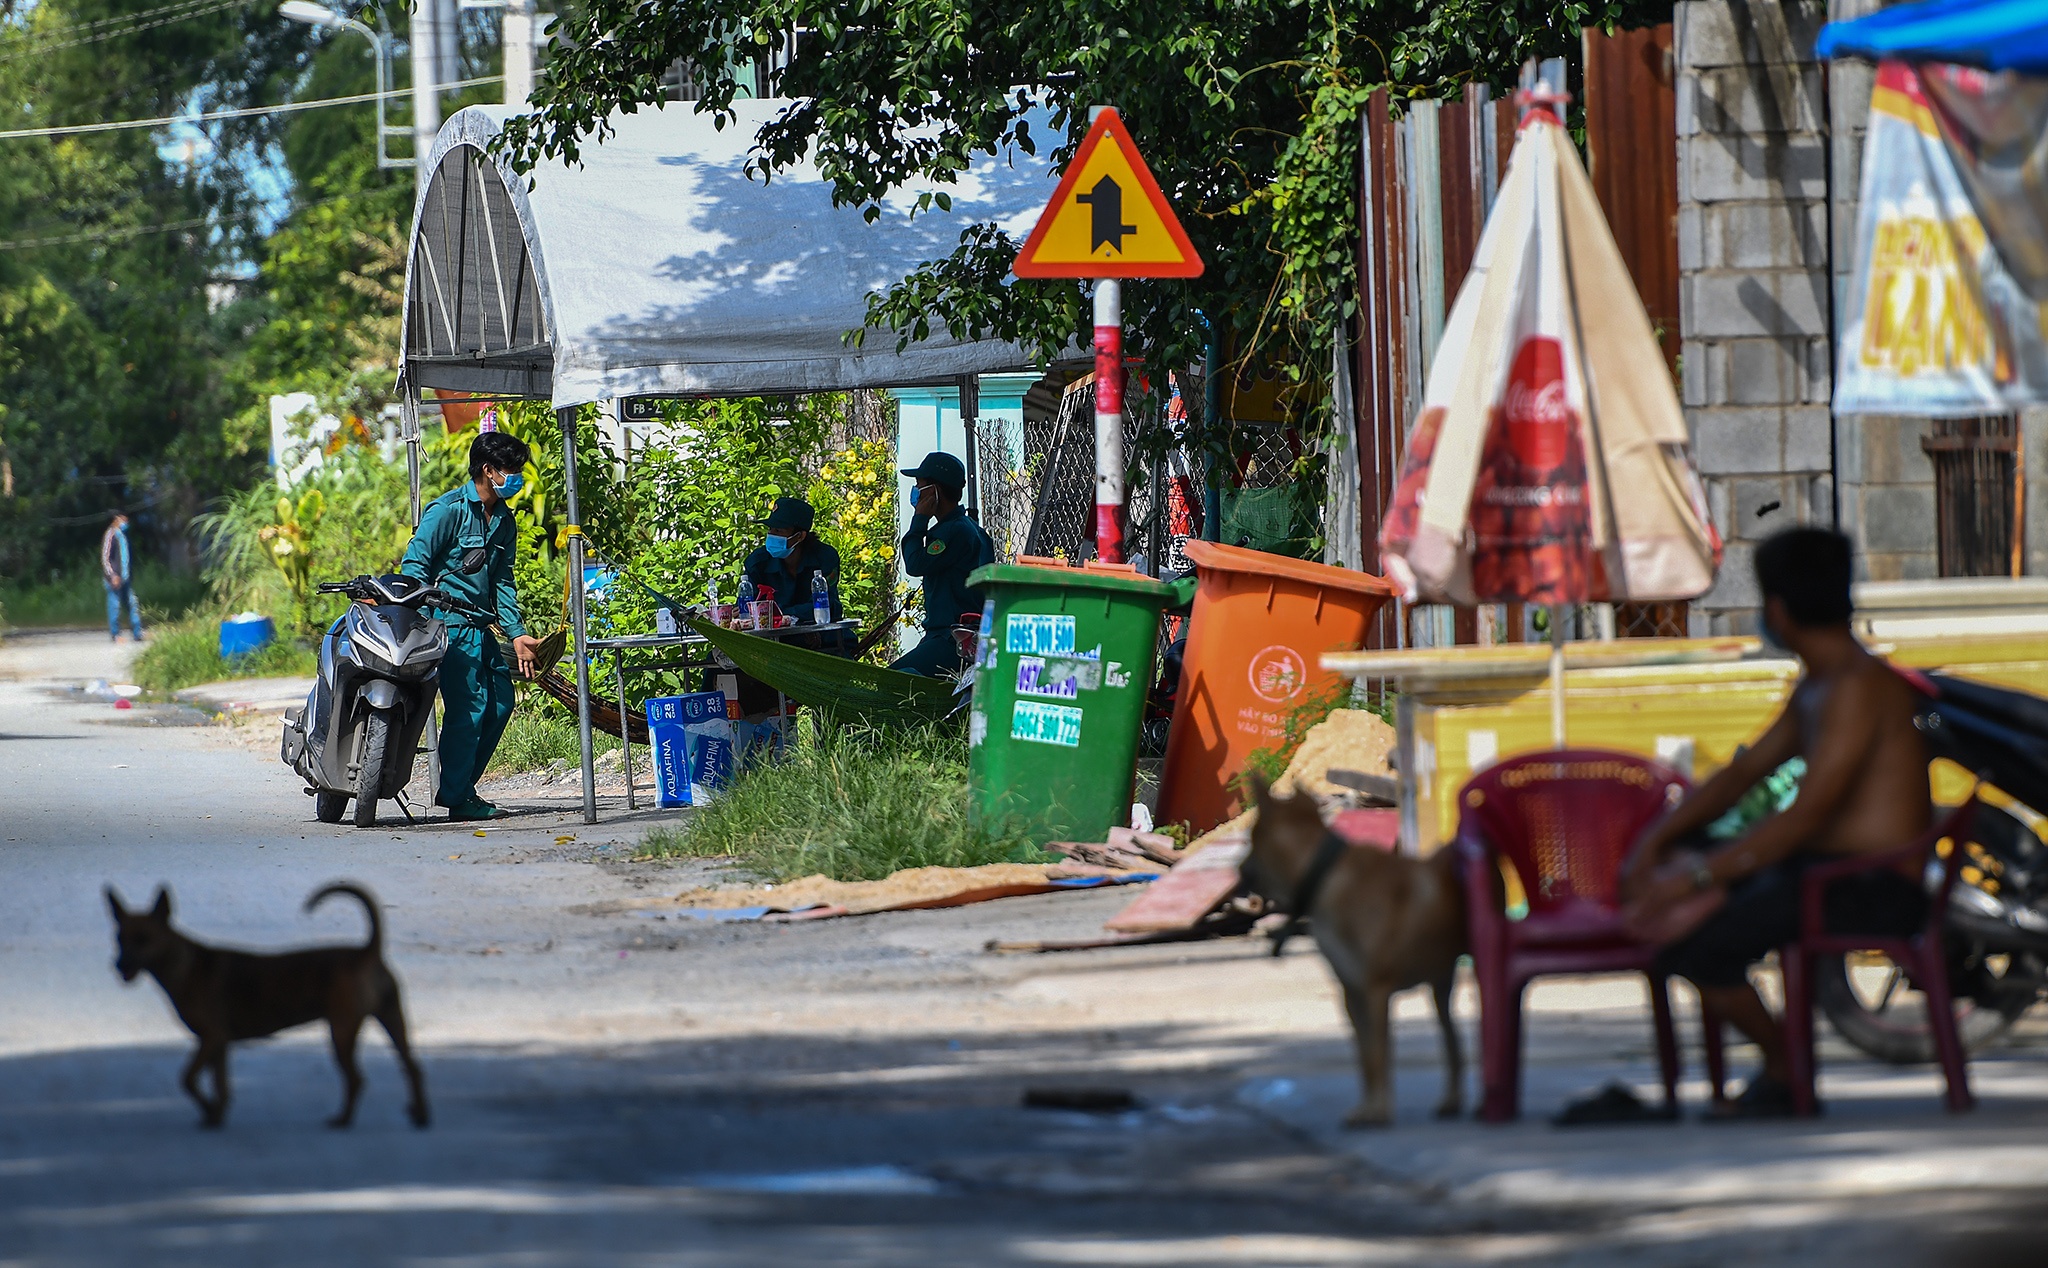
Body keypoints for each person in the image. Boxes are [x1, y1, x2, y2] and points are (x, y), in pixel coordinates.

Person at [1623, 527, 1933, 1119]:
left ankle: (1785, 1066)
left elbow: (1804, 817)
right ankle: (1781, 1064)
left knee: (1696, 947)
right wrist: (1657, 841)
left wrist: (1699, 877)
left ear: (1778, 611)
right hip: (1824, 868)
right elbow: (1741, 776)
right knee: (1690, 885)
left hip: (1874, 884)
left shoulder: (1856, 688)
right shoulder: (1820, 685)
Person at [399, 431, 543, 821]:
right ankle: (458, 797)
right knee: (470, 709)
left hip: (481, 628)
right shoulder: (447, 510)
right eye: (511, 470)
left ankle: (461, 787)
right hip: (448, 628)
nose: (516, 477)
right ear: (488, 470)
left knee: (501, 702)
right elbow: (414, 566)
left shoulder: (505, 521)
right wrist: (422, 620)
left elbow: (503, 581)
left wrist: (517, 633)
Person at [890, 451, 993, 678]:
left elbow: (915, 563)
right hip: (959, 637)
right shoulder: (972, 530)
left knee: (892, 679)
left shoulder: (953, 531)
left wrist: (919, 519)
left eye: (920, 486)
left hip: (952, 639)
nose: (916, 491)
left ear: (934, 491)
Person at [743, 496, 842, 625]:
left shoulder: (825, 557)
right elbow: (748, 608)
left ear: (800, 536)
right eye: (770, 529)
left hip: (822, 633)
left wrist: (781, 614)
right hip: (773, 635)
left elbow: (827, 606)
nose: (771, 535)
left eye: (778, 530)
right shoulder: (757, 562)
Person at [101, 509, 144, 643]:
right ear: (116, 519)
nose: (126, 522)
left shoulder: (122, 536)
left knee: (132, 604)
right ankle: (115, 634)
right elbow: (106, 558)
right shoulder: (110, 535)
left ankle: (137, 633)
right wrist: (113, 575)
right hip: (114, 579)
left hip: (125, 578)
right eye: (123, 519)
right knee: (114, 606)